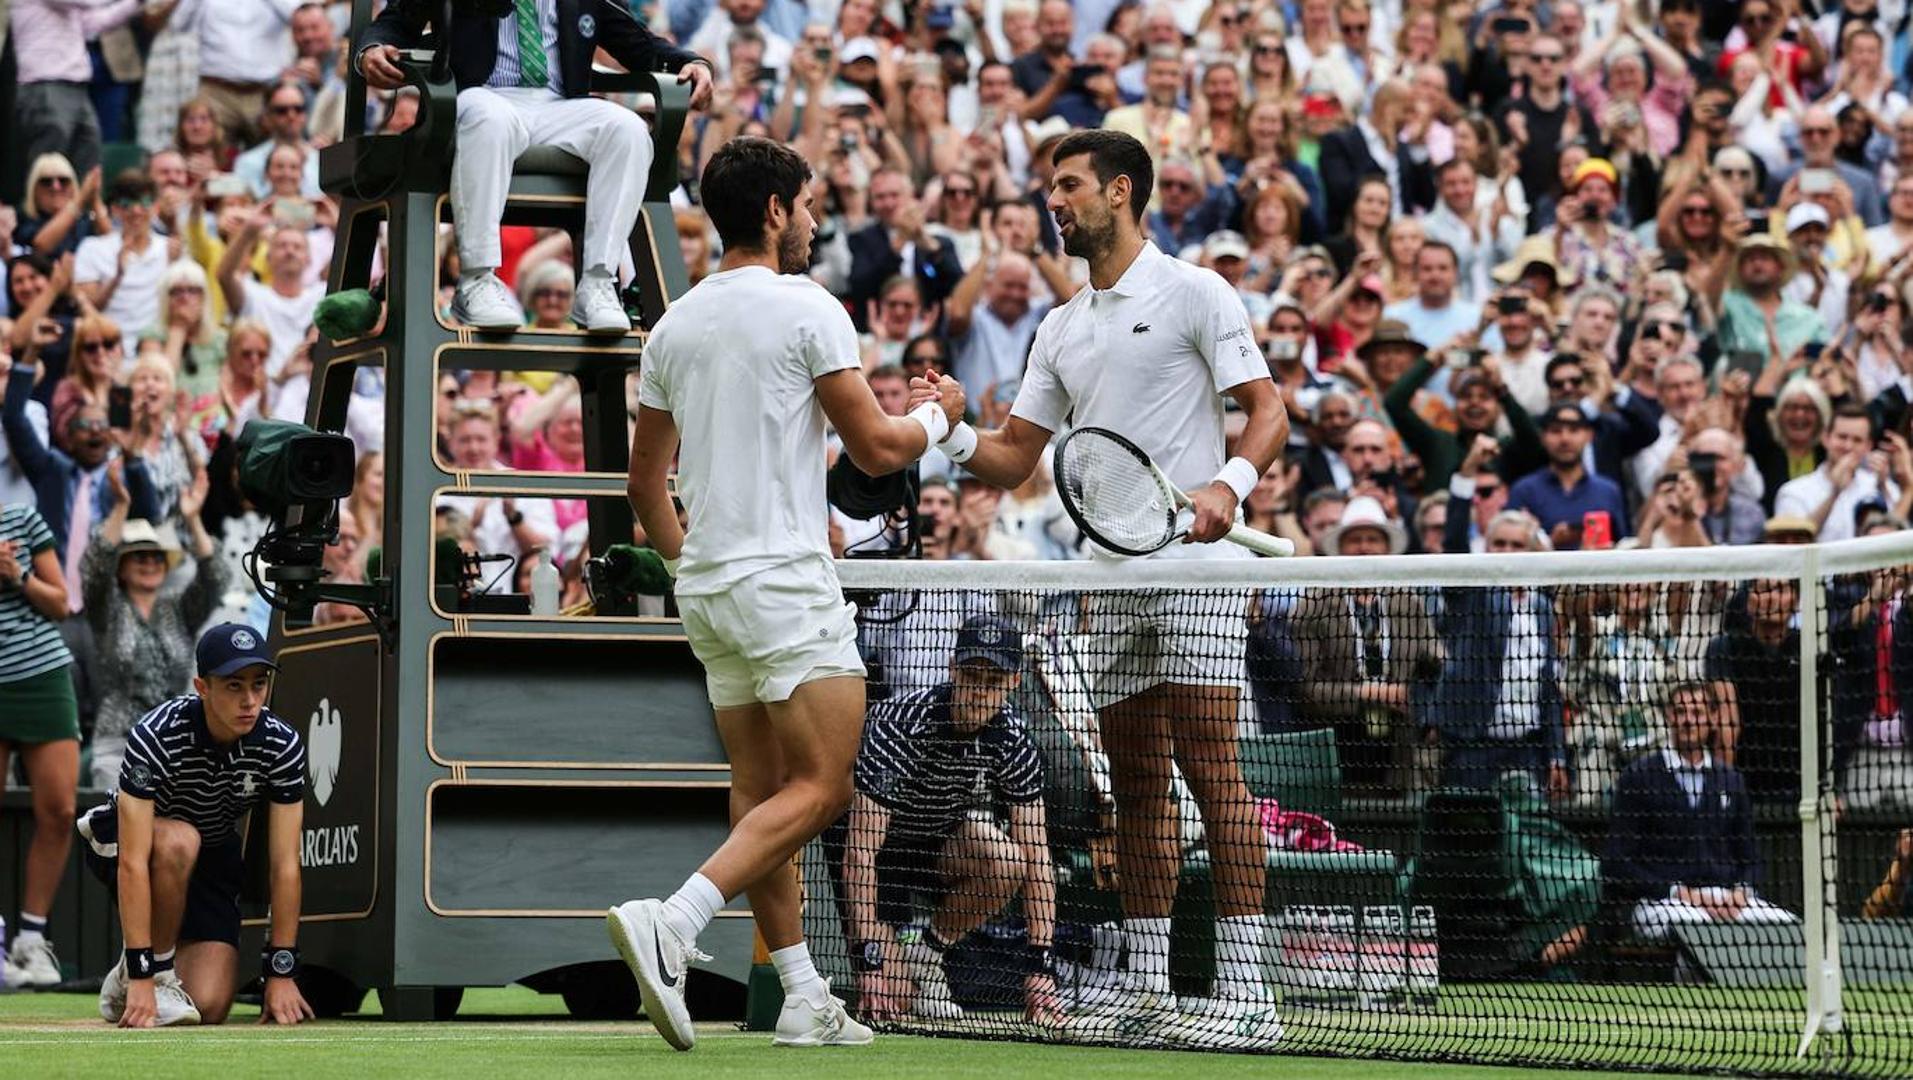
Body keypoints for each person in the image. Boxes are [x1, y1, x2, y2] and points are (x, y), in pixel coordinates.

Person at [909, 129, 1287, 1042]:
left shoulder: (1197, 291)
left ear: (1120, 192)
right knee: (1136, 783)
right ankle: (1150, 985)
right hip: (1110, 575)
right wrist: (953, 430)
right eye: (1052, 186)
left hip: (1196, 567)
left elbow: (1266, 409)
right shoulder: (1060, 327)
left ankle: (1246, 997)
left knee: (1210, 768)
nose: (1055, 200)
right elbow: (1009, 459)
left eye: (1070, 185)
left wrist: (1224, 487)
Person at [611, 137, 965, 1051]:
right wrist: (941, 417)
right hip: (782, 586)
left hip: (711, 592)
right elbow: (882, 449)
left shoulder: (672, 325)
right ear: (773, 211)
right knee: (823, 786)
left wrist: (694, 566)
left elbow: (644, 486)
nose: (812, 221)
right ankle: (677, 921)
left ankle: (803, 993)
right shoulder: (808, 305)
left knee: (760, 789)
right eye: (805, 205)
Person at [357, 0, 716, 333]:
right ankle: (476, 280)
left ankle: (599, 282)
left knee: (629, 131)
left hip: (559, 105)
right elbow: (397, 20)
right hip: (480, 97)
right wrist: (371, 51)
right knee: (491, 118)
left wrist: (690, 63)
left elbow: (637, 42)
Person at [76, 623, 314, 1027]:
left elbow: (286, 866)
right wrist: (144, 976)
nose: (250, 700)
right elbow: (132, 862)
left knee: (208, 1005)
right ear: (202, 687)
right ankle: (152, 972)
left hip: (210, 854)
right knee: (179, 840)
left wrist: (280, 972)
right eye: (234, 686)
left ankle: (126, 979)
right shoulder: (157, 734)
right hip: (127, 842)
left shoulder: (282, 744)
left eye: (260, 684)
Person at [829, 616, 1059, 1024]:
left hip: (938, 840)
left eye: (994, 681)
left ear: (1014, 683)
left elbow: (1037, 855)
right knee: (892, 1002)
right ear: (952, 669)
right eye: (971, 676)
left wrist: (1041, 968)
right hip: (876, 854)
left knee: (1009, 861)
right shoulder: (900, 724)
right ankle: (895, 966)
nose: (979, 692)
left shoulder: (1015, 742)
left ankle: (927, 954)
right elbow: (861, 853)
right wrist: (870, 966)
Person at [1603, 682, 1797, 939]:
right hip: (1661, 902)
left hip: (1725, 899)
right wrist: (1677, 892)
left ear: (1713, 719)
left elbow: (1751, 859)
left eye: (1697, 713)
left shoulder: (1731, 780)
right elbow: (1615, 862)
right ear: (1669, 717)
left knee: (1789, 928)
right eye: (1681, 712)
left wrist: (1742, 892)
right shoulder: (1637, 777)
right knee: (1701, 934)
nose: (1688, 721)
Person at [83, 465, 225, 789]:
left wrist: (192, 518)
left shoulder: (177, 608)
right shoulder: (108, 610)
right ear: (121, 566)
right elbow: (94, 569)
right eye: (139, 556)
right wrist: (121, 507)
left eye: (157, 556)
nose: (150, 562)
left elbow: (215, 577)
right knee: (119, 836)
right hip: (118, 747)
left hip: (173, 746)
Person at [0, 500, 80, 990]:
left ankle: (31, 937)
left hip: (41, 674)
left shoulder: (25, 516)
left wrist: (15, 574)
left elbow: (60, 602)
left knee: (61, 810)